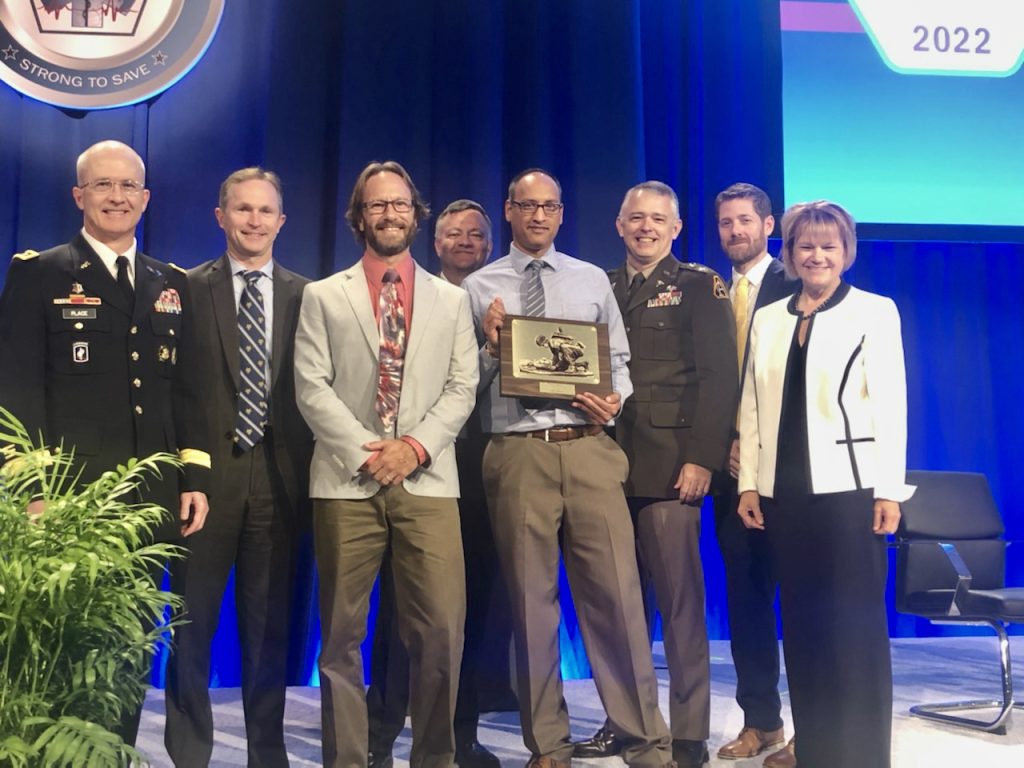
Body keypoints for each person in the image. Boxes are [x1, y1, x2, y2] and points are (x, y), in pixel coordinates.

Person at [0, 139, 211, 746]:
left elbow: (187, 391)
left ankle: (113, 754)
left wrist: (193, 478)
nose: (116, 197)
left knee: (130, 646)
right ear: (79, 196)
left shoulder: (171, 282)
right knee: (67, 647)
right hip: (70, 500)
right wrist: (32, 489)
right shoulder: (40, 273)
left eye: (127, 187)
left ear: (145, 199)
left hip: (150, 498)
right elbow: (16, 389)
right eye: (102, 185)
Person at [462, 169, 674, 768]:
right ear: (509, 210)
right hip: (517, 452)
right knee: (532, 607)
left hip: (588, 448)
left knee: (618, 601)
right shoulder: (478, 287)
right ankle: (549, 746)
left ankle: (646, 741)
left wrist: (615, 400)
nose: (538, 216)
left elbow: (620, 363)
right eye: (527, 205)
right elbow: (460, 380)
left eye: (549, 206)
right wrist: (489, 346)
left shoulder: (590, 279)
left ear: (561, 213)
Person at [293, 161, 478, 768]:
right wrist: (368, 453)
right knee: (341, 639)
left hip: (428, 481)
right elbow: (311, 387)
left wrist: (414, 448)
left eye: (399, 204)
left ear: (416, 215)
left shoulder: (453, 300)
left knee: (441, 633)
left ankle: (434, 758)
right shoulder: (323, 295)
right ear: (359, 217)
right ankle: (347, 759)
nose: (389, 214)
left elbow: (462, 387)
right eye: (377, 205)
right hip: (347, 481)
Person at [736, 201, 913, 768]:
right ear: (789, 252)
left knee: (853, 633)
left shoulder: (874, 311)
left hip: (850, 493)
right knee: (804, 629)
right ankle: (813, 749)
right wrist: (748, 483)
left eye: (828, 246)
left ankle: (859, 755)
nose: (816, 256)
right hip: (784, 495)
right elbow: (751, 405)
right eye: (806, 246)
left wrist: (888, 489)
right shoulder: (770, 318)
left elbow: (891, 405)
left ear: (846, 252)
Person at [576, 181, 736, 768]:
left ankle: (689, 734)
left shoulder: (699, 285)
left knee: (679, 607)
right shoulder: (597, 285)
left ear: (676, 228)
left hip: (671, 469)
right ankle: (627, 724)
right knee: (616, 610)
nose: (646, 228)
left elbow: (719, 379)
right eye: (636, 218)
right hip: (603, 465)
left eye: (658, 219)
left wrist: (702, 459)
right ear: (619, 225)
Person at [164, 168, 313, 766]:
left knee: (269, 630)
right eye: (242, 209)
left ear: (282, 221)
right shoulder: (184, 288)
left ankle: (267, 755)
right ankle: (189, 753)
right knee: (191, 624)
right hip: (205, 482)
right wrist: (187, 476)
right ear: (220, 216)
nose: (254, 220)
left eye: (265, 210)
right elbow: (173, 391)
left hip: (281, 480)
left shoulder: (308, 295)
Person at [366, 199, 510, 768]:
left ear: (489, 245)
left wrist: (496, 348)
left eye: (476, 235)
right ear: (436, 243)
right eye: (454, 234)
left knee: (465, 610)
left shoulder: (509, 301)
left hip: (481, 467)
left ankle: (459, 733)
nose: (466, 242)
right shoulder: (413, 296)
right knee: (397, 609)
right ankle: (379, 734)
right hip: (413, 464)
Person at [710, 183, 797, 767]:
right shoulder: (708, 292)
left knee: (806, 602)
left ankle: (813, 726)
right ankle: (761, 721)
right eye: (726, 222)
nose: (736, 231)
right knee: (746, 600)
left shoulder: (799, 284)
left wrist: (760, 445)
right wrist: (725, 446)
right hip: (729, 472)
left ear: (769, 226)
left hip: (791, 473)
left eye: (745, 220)